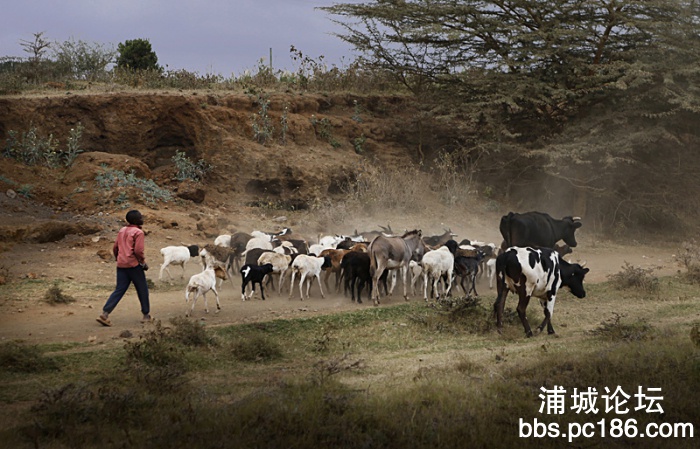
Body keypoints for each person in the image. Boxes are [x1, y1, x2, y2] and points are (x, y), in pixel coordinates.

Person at [96, 209, 151, 326]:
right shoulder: (138, 233)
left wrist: (118, 258)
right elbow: (138, 250)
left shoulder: (122, 230)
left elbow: (115, 247)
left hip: (121, 265)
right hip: (134, 266)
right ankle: (146, 315)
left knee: (119, 289)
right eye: (141, 217)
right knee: (142, 289)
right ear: (136, 220)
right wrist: (143, 262)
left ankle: (105, 313)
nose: (142, 219)